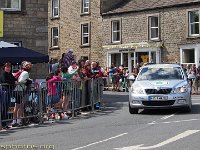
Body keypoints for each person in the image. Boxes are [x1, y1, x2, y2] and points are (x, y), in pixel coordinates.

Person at [12, 61, 33, 127]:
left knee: (17, 106)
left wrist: (28, 80)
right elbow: (21, 81)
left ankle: (14, 121)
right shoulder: (25, 72)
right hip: (20, 90)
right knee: (20, 106)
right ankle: (18, 121)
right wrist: (27, 81)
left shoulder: (21, 72)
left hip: (17, 90)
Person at [0, 62, 16, 129]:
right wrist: (12, 82)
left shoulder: (10, 74)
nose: (8, 68)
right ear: (4, 67)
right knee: (3, 107)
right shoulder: (3, 73)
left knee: (7, 108)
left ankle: (5, 123)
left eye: (9, 67)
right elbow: (4, 81)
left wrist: (12, 82)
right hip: (4, 91)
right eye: (7, 67)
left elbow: (14, 80)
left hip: (9, 91)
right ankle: (3, 124)